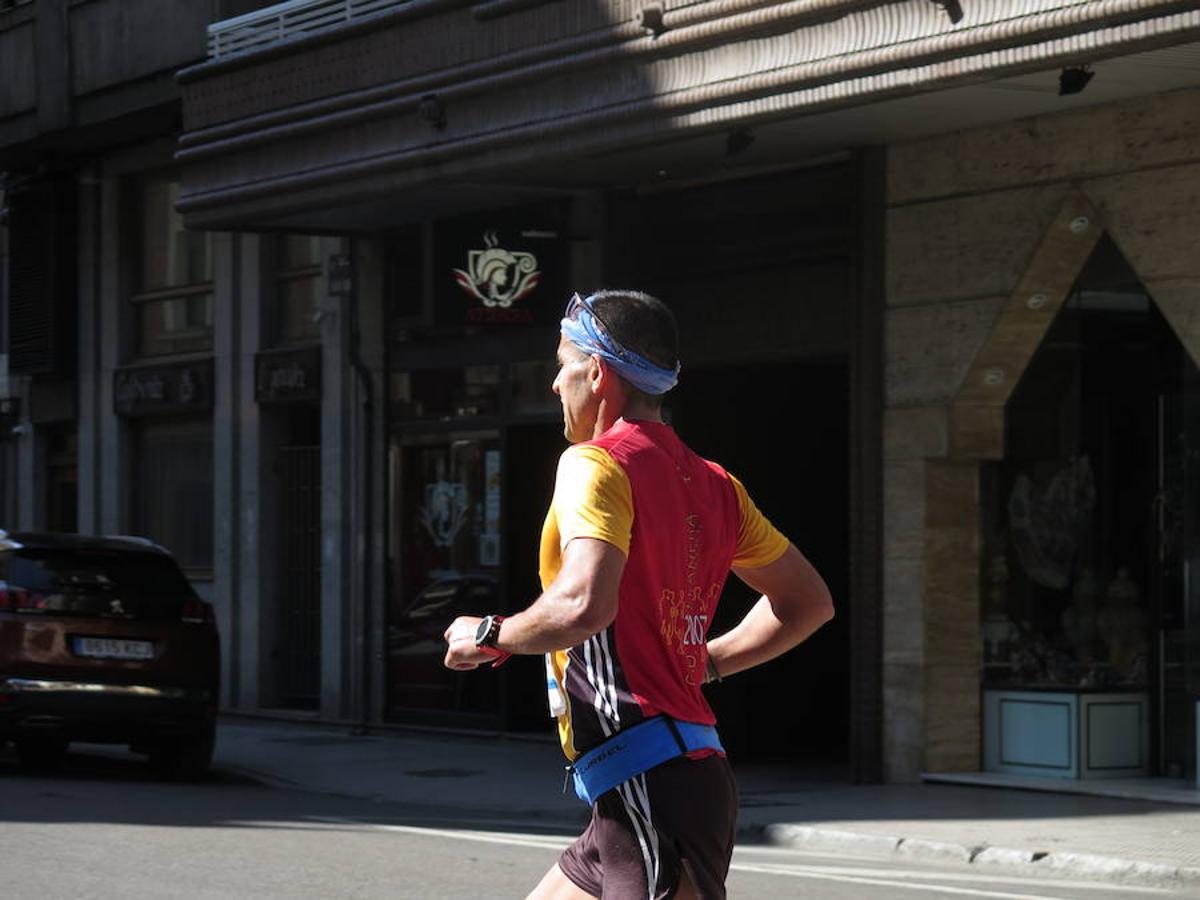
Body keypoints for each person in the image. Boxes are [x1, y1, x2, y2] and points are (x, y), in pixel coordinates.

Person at [443, 289, 834, 900]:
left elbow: (582, 605)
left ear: (596, 372)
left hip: (651, 783)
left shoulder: (594, 465)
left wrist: (489, 634)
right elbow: (808, 601)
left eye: (560, 363)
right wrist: (702, 663)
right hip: (640, 789)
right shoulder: (717, 485)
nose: (553, 385)